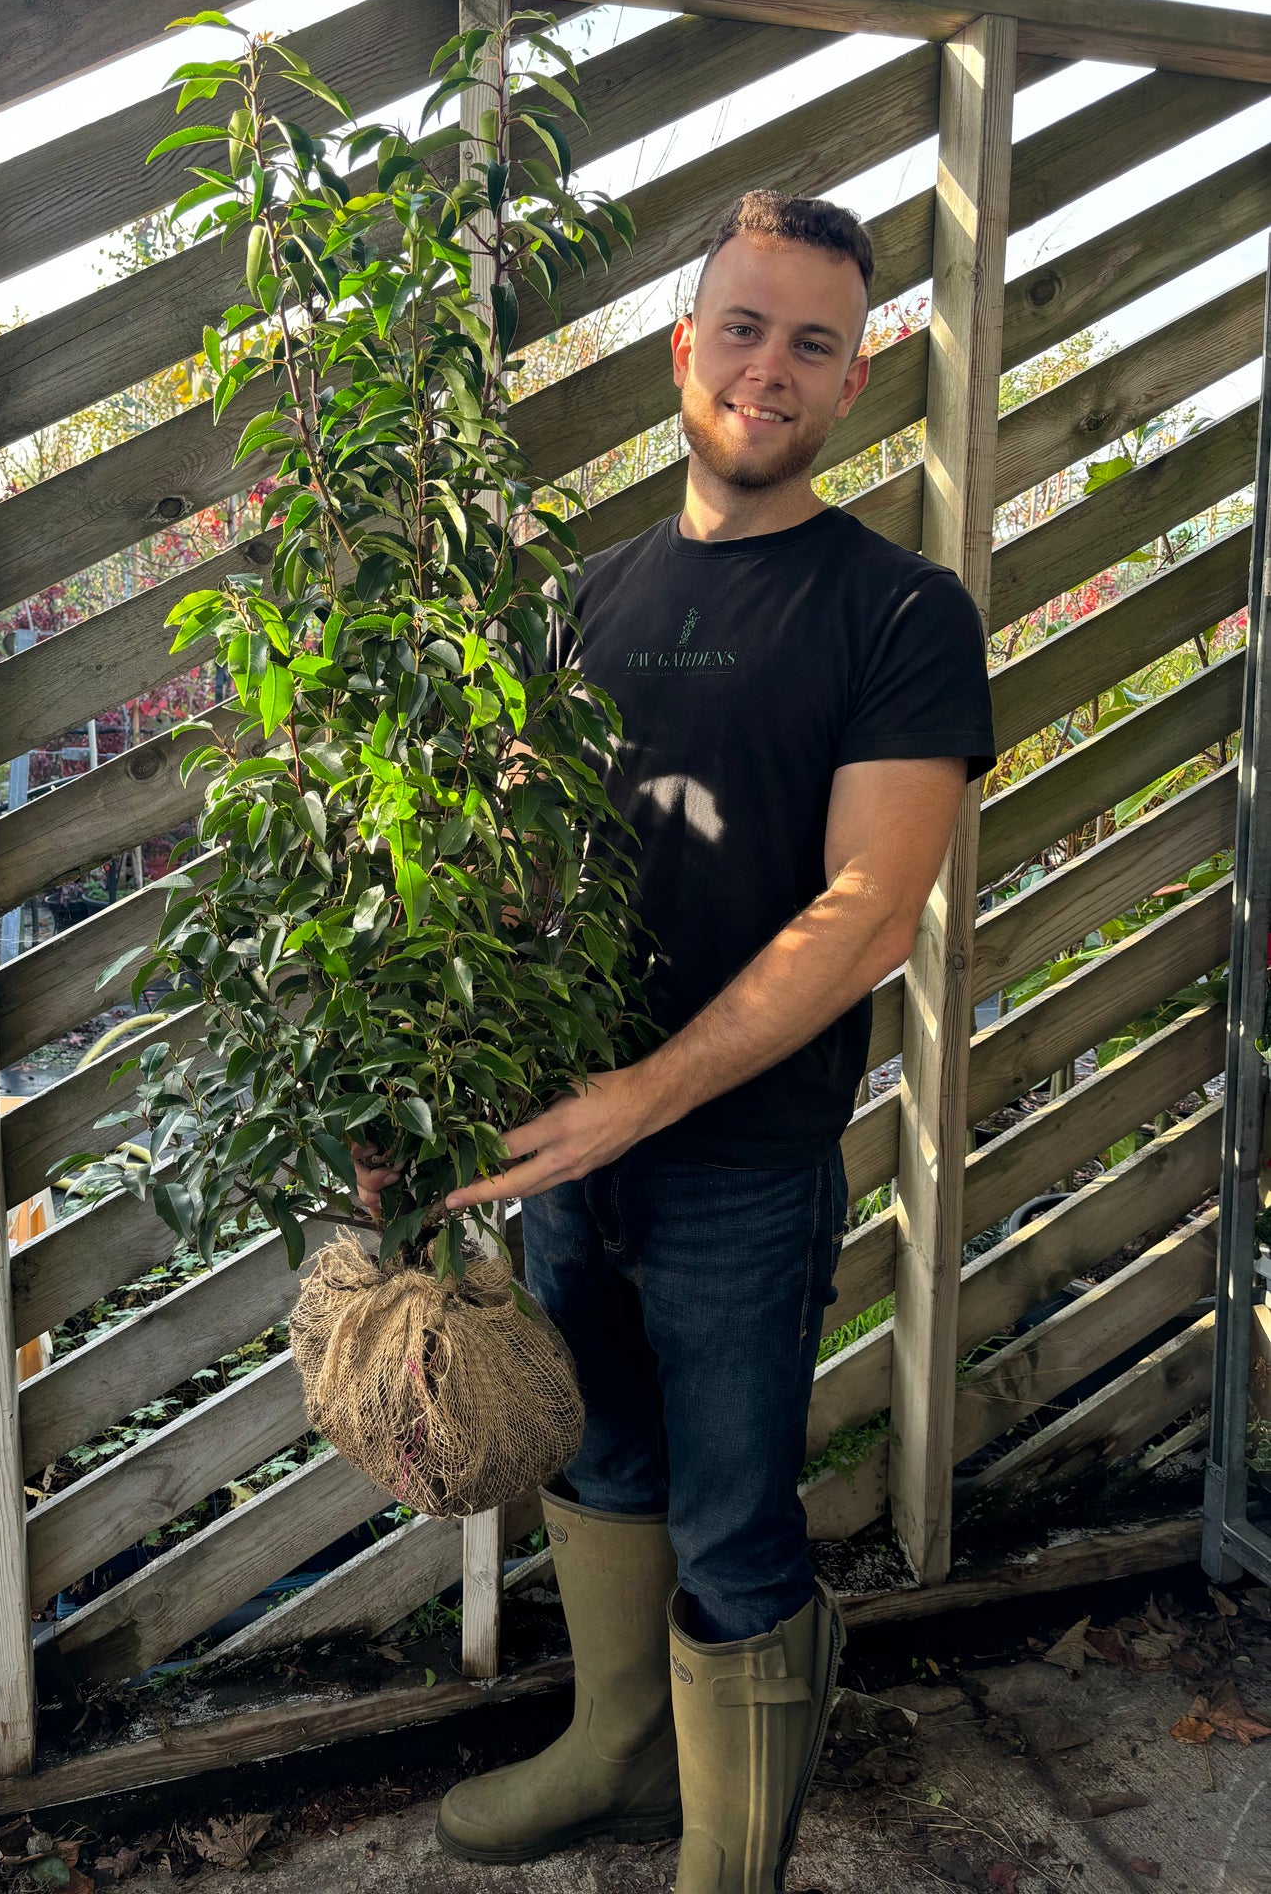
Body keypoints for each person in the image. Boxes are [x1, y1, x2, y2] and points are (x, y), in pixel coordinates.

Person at [355, 190, 996, 1891]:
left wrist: (643, 1097)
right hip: (566, 1153)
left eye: (812, 342)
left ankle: (729, 1859)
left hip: (741, 1165)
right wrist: (420, 1099)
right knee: (603, 1459)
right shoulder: (582, 604)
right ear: (680, 350)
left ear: (857, 377)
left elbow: (869, 908)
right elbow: (504, 887)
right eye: (743, 328)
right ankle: (622, 1754)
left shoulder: (900, 612)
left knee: (733, 1521)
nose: (769, 369)